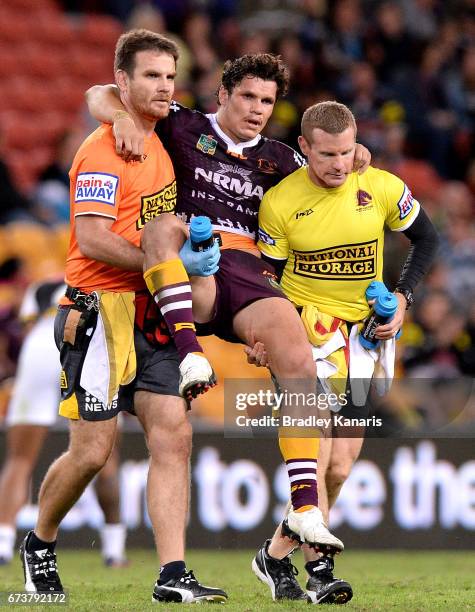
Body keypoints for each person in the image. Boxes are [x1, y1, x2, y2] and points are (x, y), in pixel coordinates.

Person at [86, 53, 372, 602]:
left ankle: (306, 511)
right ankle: (190, 352)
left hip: (254, 273)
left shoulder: (285, 159)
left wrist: (358, 155)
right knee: (165, 225)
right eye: (248, 97)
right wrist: (118, 115)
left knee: (295, 357)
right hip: (194, 261)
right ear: (223, 93)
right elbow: (97, 93)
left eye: (267, 102)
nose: (257, 110)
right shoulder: (184, 124)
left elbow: (335, 176)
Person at [20, 29, 227, 603]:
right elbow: (88, 240)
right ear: (124, 83)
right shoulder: (103, 147)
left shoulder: (165, 137)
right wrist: (161, 264)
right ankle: (39, 542)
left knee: (174, 436)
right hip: (98, 315)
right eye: (151, 76)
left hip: (151, 312)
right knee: (92, 452)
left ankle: (172, 572)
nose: (164, 86)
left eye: (169, 75)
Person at [256, 101, 439, 603]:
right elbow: (266, 279)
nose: (338, 164)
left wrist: (402, 298)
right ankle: (321, 572)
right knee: (314, 456)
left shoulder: (379, 186)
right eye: (327, 154)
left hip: (366, 335)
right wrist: (265, 333)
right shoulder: (280, 203)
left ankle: (272, 556)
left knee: (338, 467)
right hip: (306, 335)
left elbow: (427, 239)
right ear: (304, 149)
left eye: (345, 152)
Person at [0, 279, 127, 567]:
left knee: (19, 460)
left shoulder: (40, 289)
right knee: (105, 455)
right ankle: (114, 549)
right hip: (89, 344)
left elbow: (27, 326)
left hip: (42, 346)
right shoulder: (107, 281)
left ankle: (3, 544)